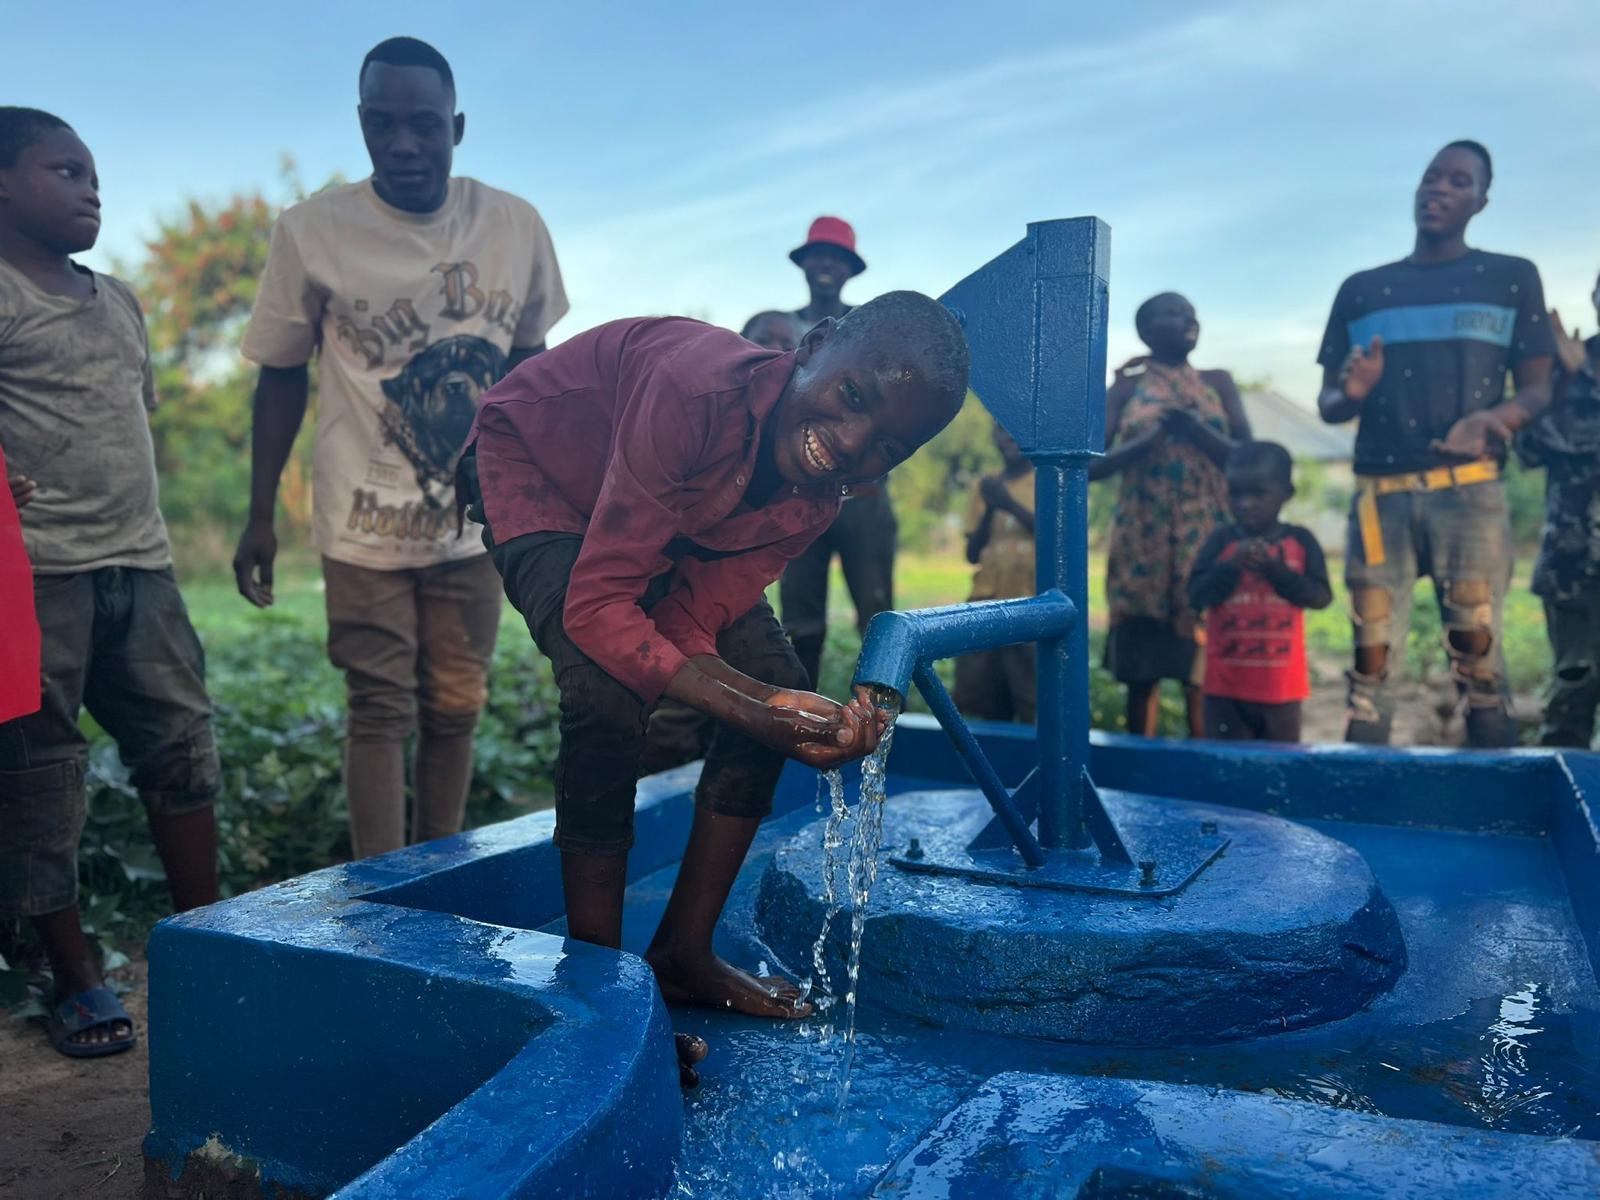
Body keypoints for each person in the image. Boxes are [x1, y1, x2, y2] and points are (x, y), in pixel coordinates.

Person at [462, 293, 967, 1083]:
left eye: (888, 446)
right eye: (853, 399)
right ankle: (600, 999)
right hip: (544, 467)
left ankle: (683, 954)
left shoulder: (816, 495)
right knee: (602, 690)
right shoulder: (692, 390)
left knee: (775, 677)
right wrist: (752, 711)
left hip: (667, 509)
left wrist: (768, 705)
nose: (851, 444)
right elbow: (599, 610)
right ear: (815, 345)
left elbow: (692, 623)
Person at [234, 38, 568, 858]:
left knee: (456, 703)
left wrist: (538, 491)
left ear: (457, 126)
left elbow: (534, 366)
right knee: (379, 706)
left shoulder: (514, 225)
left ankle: (439, 868)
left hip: (474, 524)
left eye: (424, 125)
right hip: (360, 518)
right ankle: (384, 886)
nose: (404, 144)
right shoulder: (313, 231)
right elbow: (279, 377)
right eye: (383, 124)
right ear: (361, 123)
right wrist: (257, 517)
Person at [0, 107, 220, 1057]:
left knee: (181, 742)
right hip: (39, 578)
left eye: (94, 173)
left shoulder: (121, 299)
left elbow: (134, 417)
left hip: (145, 565)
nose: (93, 189)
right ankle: (75, 969)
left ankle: (210, 937)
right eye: (66, 171)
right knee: (42, 773)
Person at [1317, 141, 1553, 747]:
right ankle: (1363, 806)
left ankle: (1498, 812)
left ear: (1481, 200)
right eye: (1431, 177)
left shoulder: (1511, 277)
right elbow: (1329, 403)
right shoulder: (1363, 289)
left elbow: (1538, 389)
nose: (1439, 189)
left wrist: (1493, 419)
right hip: (1379, 499)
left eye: (1457, 181)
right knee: (1370, 661)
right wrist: (1354, 392)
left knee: (1478, 656)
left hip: (1469, 494)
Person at [640, 309, 800, 773]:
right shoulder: (708, 413)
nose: (777, 355)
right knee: (652, 704)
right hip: (650, 570)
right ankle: (653, 800)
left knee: (770, 674)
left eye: (787, 346)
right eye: (765, 343)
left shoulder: (791, 456)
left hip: (718, 591)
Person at [1094, 292, 1250, 737]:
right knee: (1143, 675)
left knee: (1201, 672)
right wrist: (1145, 442)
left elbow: (1249, 458)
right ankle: (1137, 770)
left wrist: (1195, 430)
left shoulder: (1218, 382)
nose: (1188, 320)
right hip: (1144, 539)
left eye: (1192, 313)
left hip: (1207, 536)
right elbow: (1091, 465)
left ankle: (1200, 763)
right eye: (1173, 313)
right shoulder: (1125, 390)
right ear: (1146, 330)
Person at [773, 217, 899, 692]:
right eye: (818, 256)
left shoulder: (871, 328)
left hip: (863, 496)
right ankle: (799, 720)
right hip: (799, 496)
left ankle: (881, 726)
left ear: (850, 270)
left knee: (877, 615)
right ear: (804, 265)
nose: (826, 265)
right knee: (799, 620)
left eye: (837, 258)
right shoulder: (781, 331)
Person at [1186, 442, 1332, 742]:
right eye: (1236, 494)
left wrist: (1277, 572)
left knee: (1279, 771)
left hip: (1281, 691)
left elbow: (1320, 597)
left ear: (1286, 493)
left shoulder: (1300, 541)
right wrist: (1231, 566)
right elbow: (1196, 594)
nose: (1245, 504)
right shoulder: (1221, 541)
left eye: (1258, 494)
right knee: (1227, 770)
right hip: (1225, 690)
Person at [1515, 272, 1600, 747]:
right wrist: (1569, 378)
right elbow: (1528, 448)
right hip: (1572, 564)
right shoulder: (1563, 367)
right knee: (1572, 693)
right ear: (1594, 296)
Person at [953, 423, 1037, 722]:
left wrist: (1007, 503)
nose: (1009, 438)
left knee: (1032, 701)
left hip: (1031, 608)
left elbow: (1054, 535)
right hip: (986, 605)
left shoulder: (1044, 479)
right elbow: (972, 553)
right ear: (994, 438)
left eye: (1014, 430)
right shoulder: (985, 486)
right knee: (977, 700)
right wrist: (991, 507)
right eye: (1002, 431)